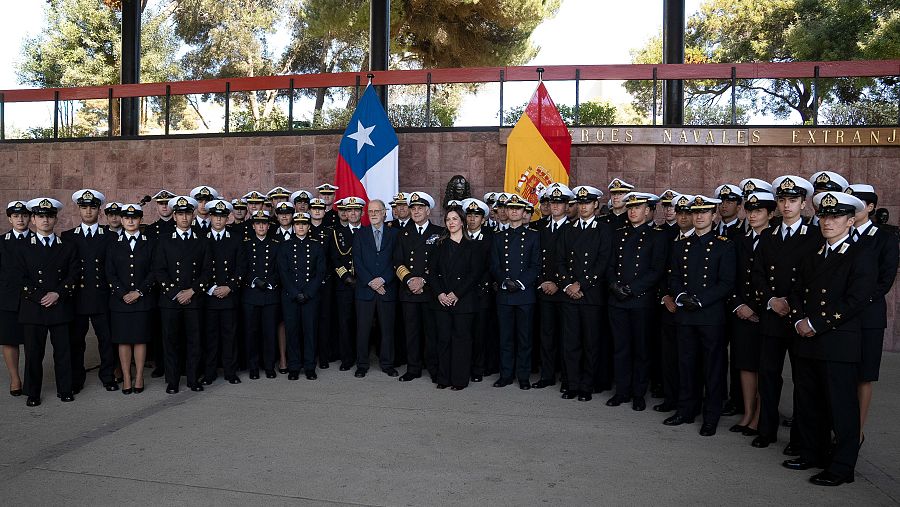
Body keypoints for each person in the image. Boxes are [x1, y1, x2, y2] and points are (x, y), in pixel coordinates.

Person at [783, 190, 876, 487]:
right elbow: (796, 290)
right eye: (824, 215)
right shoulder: (814, 253)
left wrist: (815, 322)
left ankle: (841, 468)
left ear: (850, 221)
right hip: (807, 339)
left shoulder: (861, 254)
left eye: (836, 217)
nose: (828, 221)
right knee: (809, 402)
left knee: (841, 407)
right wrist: (798, 319)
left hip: (837, 342)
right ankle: (812, 453)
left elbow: (857, 300)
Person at [750, 175, 819, 453]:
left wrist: (790, 302)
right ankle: (766, 429)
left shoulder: (814, 236)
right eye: (782, 200)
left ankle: (798, 438)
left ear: (804, 203)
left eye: (793, 200)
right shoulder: (768, 235)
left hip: (797, 316)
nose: (787, 205)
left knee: (802, 380)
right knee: (768, 375)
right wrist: (769, 300)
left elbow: (814, 276)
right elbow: (757, 274)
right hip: (771, 316)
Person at [663, 195, 735, 436]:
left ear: (714, 216)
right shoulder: (681, 245)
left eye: (704, 212)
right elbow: (672, 277)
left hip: (710, 315)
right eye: (696, 213)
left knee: (712, 368)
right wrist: (682, 296)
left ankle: (711, 415)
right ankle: (686, 410)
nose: (699, 216)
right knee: (686, 364)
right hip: (685, 315)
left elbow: (726, 282)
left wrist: (701, 300)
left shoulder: (724, 244)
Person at [844, 184, 899, 441]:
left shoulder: (884, 237)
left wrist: (852, 303)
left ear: (870, 207)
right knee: (841, 374)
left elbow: (884, 282)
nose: (852, 210)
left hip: (868, 317)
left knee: (863, 376)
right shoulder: (838, 233)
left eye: (858, 205)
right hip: (839, 317)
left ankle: (857, 431)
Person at [606, 192, 667, 411]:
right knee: (620, 348)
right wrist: (615, 285)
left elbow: (656, 270)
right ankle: (621, 391)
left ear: (648, 211)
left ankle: (639, 393)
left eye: (638, 207)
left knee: (641, 349)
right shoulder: (619, 234)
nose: (632, 211)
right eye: (630, 207)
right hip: (618, 300)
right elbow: (610, 264)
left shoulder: (657, 236)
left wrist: (632, 289)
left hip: (641, 301)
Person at [17, 198, 78, 406]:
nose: (45, 220)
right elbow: (18, 277)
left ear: (55, 220)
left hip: (59, 305)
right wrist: (39, 296)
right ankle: (33, 392)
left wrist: (57, 294)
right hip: (34, 307)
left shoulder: (67, 247)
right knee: (34, 354)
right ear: (33, 220)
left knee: (63, 352)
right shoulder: (23, 247)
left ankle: (65, 389)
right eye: (40, 216)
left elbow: (74, 275)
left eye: (49, 216)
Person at [152, 196, 212, 394]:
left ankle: (193, 379)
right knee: (171, 342)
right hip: (171, 300)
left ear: (193, 215)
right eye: (180, 214)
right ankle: (173, 380)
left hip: (193, 299)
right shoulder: (164, 240)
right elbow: (159, 270)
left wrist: (192, 291)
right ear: (174, 216)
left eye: (187, 213)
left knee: (195, 341)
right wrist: (176, 292)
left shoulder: (202, 240)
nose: (184, 218)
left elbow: (207, 271)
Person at [727, 192, 776, 436]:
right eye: (750, 210)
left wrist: (758, 307)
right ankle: (748, 412)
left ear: (771, 214)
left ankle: (760, 415)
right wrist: (739, 306)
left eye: (759, 211)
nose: (753, 215)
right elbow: (730, 277)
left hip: (767, 313)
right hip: (742, 312)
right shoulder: (739, 240)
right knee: (745, 364)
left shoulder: (776, 240)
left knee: (763, 366)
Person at [557, 186, 612, 401]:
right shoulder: (568, 230)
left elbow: (603, 261)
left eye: (587, 203)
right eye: (580, 203)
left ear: (596, 205)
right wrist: (569, 285)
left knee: (591, 344)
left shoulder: (603, 229)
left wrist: (582, 284)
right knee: (571, 343)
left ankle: (587, 386)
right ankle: (572, 384)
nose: (583, 207)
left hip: (591, 296)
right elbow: (560, 261)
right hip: (569, 295)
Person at [63, 189, 118, 394]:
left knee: (106, 339)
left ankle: (107, 376)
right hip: (77, 297)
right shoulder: (68, 237)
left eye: (92, 207)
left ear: (99, 210)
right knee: (77, 342)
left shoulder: (109, 236)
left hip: (102, 296)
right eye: (84, 207)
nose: (88, 211)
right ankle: (77, 378)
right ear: (78, 209)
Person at [490, 194, 540, 390]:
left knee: (525, 338)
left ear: (524, 212)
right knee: (505, 337)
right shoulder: (498, 237)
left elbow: (535, 266)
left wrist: (519, 283)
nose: (513, 211)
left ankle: (524, 376)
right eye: (510, 208)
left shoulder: (533, 236)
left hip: (524, 294)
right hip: (504, 294)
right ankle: (506, 375)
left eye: (518, 209)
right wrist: (504, 281)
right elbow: (494, 265)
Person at [395, 192, 445, 382]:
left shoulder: (439, 232)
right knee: (412, 333)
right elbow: (397, 261)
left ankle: (433, 368)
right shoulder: (402, 233)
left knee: (431, 333)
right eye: (413, 208)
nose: (416, 211)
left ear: (428, 210)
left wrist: (423, 280)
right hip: (409, 291)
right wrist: (409, 280)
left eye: (420, 208)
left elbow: (439, 263)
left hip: (429, 291)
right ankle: (413, 368)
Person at [106, 203, 155, 395]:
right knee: (123, 340)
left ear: (140, 220)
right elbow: (109, 273)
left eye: (134, 218)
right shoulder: (113, 244)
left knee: (140, 339)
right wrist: (122, 293)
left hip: (142, 300)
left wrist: (139, 292)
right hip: (120, 301)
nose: (130, 221)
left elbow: (154, 271)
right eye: (127, 218)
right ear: (122, 220)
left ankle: (140, 375)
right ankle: (126, 376)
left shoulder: (149, 242)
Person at [429, 208, 480, 390]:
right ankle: (443, 378)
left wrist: (456, 293)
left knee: (461, 341)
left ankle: (459, 380)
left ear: (462, 222)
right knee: (443, 340)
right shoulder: (439, 245)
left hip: (463, 300)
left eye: (455, 219)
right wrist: (440, 294)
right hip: (442, 300)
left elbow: (474, 274)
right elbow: (432, 273)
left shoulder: (473, 246)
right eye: (448, 219)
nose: (451, 222)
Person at [655, 194, 695, 413]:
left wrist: (680, 298)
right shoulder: (668, 237)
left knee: (687, 360)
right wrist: (665, 296)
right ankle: (670, 399)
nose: (681, 217)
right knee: (668, 357)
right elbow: (661, 270)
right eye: (679, 213)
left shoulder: (702, 240)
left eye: (686, 213)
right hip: (668, 306)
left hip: (691, 309)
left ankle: (686, 403)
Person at [533, 183, 574, 391]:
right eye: (552, 202)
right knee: (546, 335)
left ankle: (567, 379)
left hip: (564, 291)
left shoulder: (573, 228)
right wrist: (542, 281)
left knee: (567, 338)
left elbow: (572, 262)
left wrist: (559, 283)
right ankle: (547, 375)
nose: (555, 206)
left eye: (560, 202)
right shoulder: (539, 228)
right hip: (544, 289)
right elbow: (534, 258)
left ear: (567, 206)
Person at [351, 200, 399, 378]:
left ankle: (387, 364)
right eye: (370, 211)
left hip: (387, 289)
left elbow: (396, 260)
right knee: (363, 330)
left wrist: (383, 280)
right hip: (365, 290)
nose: (373, 214)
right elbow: (357, 260)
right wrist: (371, 281)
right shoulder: (360, 234)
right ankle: (362, 365)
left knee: (387, 329)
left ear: (385, 213)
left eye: (376, 211)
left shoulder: (395, 234)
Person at [277, 212, 325, 380]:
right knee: (292, 332)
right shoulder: (285, 246)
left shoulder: (316, 246)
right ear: (294, 226)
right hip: (291, 296)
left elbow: (320, 273)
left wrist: (308, 293)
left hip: (310, 297)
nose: (301, 227)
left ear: (308, 226)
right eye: (298, 224)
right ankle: (294, 366)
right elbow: (283, 272)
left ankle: (310, 366)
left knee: (310, 332)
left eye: (304, 224)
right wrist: (295, 292)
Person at [202, 199, 245, 385]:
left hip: (229, 295)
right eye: (215, 217)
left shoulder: (235, 238)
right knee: (210, 337)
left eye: (222, 217)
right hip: (208, 296)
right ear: (210, 217)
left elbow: (241, 267)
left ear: (227, 218)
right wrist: (210, 288)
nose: (218, 220)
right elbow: (197, 268)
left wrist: (230, 287)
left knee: (230, 336)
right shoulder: (201, 238)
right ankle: (210, 373)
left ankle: (230, 372)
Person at [242, 210, 281, 379]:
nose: (261, 226)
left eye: (264, 223)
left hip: (270, 294)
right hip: (251, 295)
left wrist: (270, 281)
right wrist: (255, 279)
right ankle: (253, 367)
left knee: (269, 332)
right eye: (258, 223)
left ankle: (269, 365)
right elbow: (242, 267)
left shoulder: (276, 244)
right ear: (253, 226)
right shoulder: (246, 244)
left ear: (268, 225)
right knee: (252, 333)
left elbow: (280, 268)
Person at [0, 201, 33, 397]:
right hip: (8, 299)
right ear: (9, 218)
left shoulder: (39, 239)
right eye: (15, 216)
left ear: (30, 217)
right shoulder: (2, 242)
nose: (20, 219)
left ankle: (31, 378)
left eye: (24, 215)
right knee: (9, 340)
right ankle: (15, 378)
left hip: (32, 299)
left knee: (32, 342)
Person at [461, 198, 494, 381]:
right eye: (470, 215)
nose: (472, 219)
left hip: (482, 291)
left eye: (476, 216)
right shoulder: (460, 234)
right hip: (463, 293)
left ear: (483, 219)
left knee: (480, 332)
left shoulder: (490, 236)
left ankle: (478, 368)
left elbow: (493, 264)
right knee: (464, 332)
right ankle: (464, 365)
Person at [330, 196, 363, 371]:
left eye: (356, 210)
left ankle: (362, 357)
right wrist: (347, 278)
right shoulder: (337, 233)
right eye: (349, 210)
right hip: (345, 286)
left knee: (363, 323)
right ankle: (347, 358)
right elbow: (335, 259)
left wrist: (363, 279)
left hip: (365, 284)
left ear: (361, 213)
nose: (352, 213)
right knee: (345, 323)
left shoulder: (367, 231)